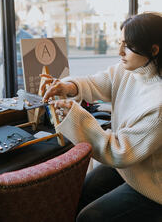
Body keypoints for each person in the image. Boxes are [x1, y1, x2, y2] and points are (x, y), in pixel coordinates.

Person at [41, 12, 162, 222]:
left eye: (128, 45)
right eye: (120, 42)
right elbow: (98, 82)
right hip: (130, 167)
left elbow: (119, 152)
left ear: (154, 49)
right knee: (78, 193)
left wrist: (76, 117)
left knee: (89, 218)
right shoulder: (129, 69)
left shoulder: (158, 105)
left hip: (152, 185)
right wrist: (68, 87)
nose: (120, 51)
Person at [0, 14, 32, 92]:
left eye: (15, 23)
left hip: (24, 78)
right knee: (7, 97)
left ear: (18, 22)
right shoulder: (7, 36)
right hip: (11, 77)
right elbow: (3, 53)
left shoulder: (27, 37)